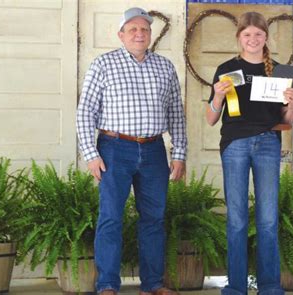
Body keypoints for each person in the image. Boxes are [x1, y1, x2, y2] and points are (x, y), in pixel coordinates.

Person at [76, 7, 186, 295]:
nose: (139, 34)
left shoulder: (165, 67)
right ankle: (108, 285)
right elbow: (85, 111)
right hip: (113, 149)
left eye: (144, 29)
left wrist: (179, 153)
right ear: (121, 35)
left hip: (153, 151)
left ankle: (152, 285)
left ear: (150, 35)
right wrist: (90, 153)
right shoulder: (103, 64)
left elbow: (176, 113)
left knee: (153, 218)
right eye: (133, 29)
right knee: (111, 217)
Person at [207, 11, 293, 295]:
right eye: (247, 34)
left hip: (269, 144)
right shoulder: (226, 68)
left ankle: (270, 286)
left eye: (258, 34)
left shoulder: (282, 71)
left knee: (268, 218)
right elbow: (211, 119)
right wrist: (218, 96)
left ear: (266, 38)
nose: (253, 39)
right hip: (234, 145)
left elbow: (288, 119)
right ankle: (235, 287)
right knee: (236, 219)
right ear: (239, 38)